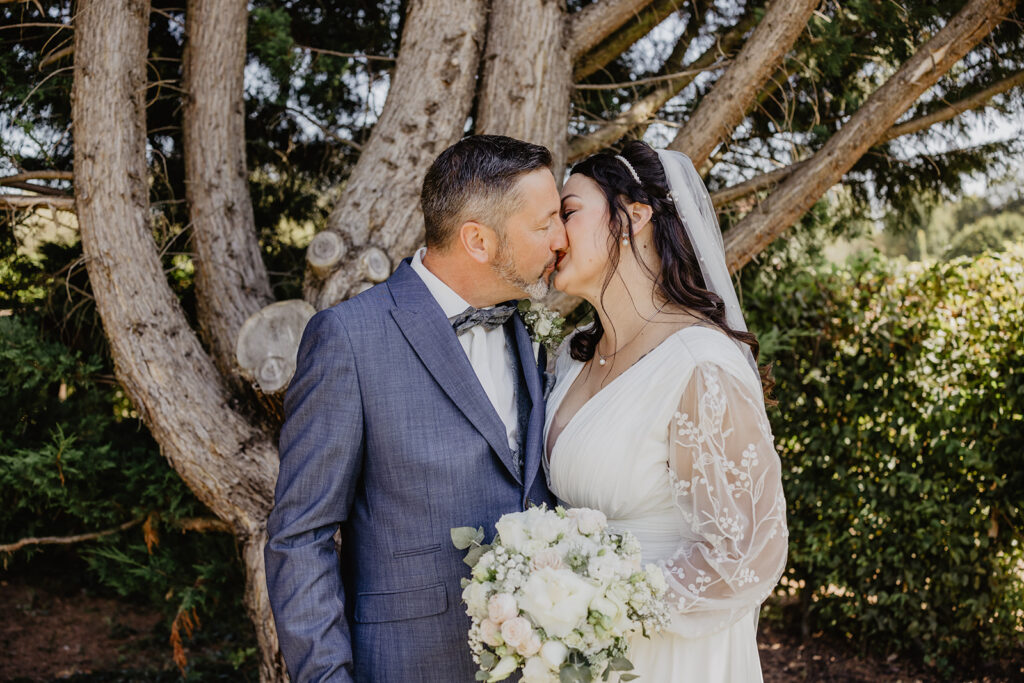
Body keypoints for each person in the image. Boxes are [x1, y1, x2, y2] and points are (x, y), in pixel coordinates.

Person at [265, 135, 566, 682]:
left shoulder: (529, 329)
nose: (561, 239)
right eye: (545, 224)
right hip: (411, 665)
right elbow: (301, 537)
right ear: (478, 240)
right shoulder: (349, 339)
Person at [545, 140, 788, 681]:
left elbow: (748, 550)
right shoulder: (572, 358)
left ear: (635, 217)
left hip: (667, 656)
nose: (554, 235)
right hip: (577, 651)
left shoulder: (699, 364)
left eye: (569, 212)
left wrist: (608, 604)